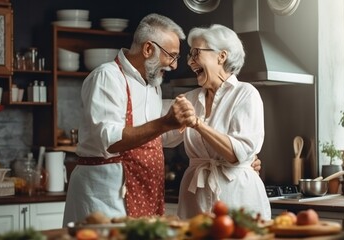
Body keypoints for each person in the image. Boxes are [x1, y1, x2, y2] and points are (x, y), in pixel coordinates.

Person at [63, 14, 262, 225]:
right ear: (148, 49)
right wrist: (168, 123)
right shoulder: (107, 77)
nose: (177, 65)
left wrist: (245, 158)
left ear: (221, 57)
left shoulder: (152, 85)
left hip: (143, 191)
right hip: (105, 192)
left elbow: (158, 137)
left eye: (192, 54)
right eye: (173, 56)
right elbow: (110, 140)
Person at [162, 24, 271, 220]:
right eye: (189, 55)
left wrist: (197, 124)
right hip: (195, 198)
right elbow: (164, 139)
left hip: (238, 197)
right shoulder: (190, 98)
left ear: (221, 56)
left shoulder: (246, 94)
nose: (190, 61)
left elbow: (236, 154)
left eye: (195, 53)